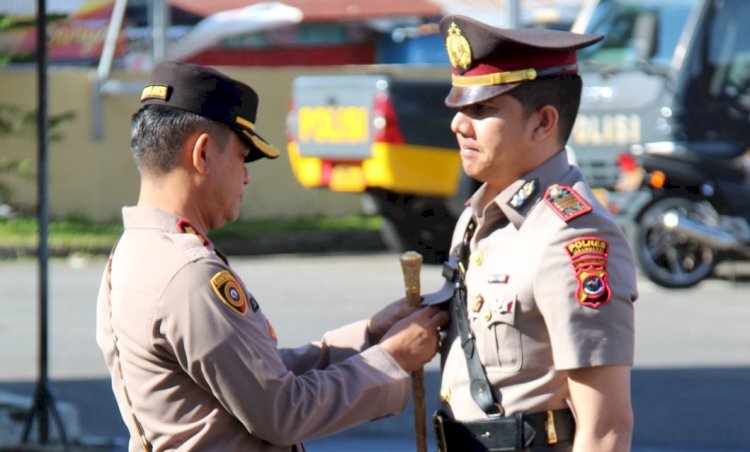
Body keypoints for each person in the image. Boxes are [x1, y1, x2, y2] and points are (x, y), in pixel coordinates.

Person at [95, 61, 449, 451]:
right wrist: (391, 359)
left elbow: (255, 375)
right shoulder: (188, 274)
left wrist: (369, 337)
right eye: (242, 158)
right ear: (203, 153)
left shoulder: (134, 253)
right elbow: (282, 411)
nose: (246, 176)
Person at [431, 15, 638, 451]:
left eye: (482, 109)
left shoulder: (571, 235)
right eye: (460, 109)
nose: (459, 125)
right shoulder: (478, 216)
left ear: (543, 123)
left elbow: (605, 429)